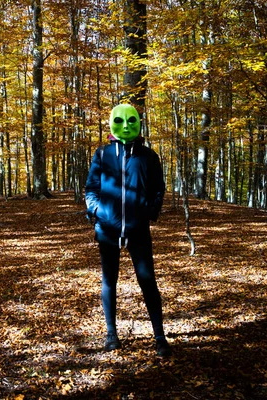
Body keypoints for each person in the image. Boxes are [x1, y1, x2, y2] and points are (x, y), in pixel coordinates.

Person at [85, 104, 171, 357]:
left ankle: (160, 337)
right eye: (120, 121)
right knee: (109, 281)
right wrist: (96, 211)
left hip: (138, 230)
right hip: (108, 230)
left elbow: (158, 188)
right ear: (111, 123)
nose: (126, 125)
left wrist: (149, 211)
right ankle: (111, 334)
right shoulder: (102, 154)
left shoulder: (148, 156)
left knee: (147, 281)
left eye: (131, 120)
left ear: (139, 123)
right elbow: (91, 187)